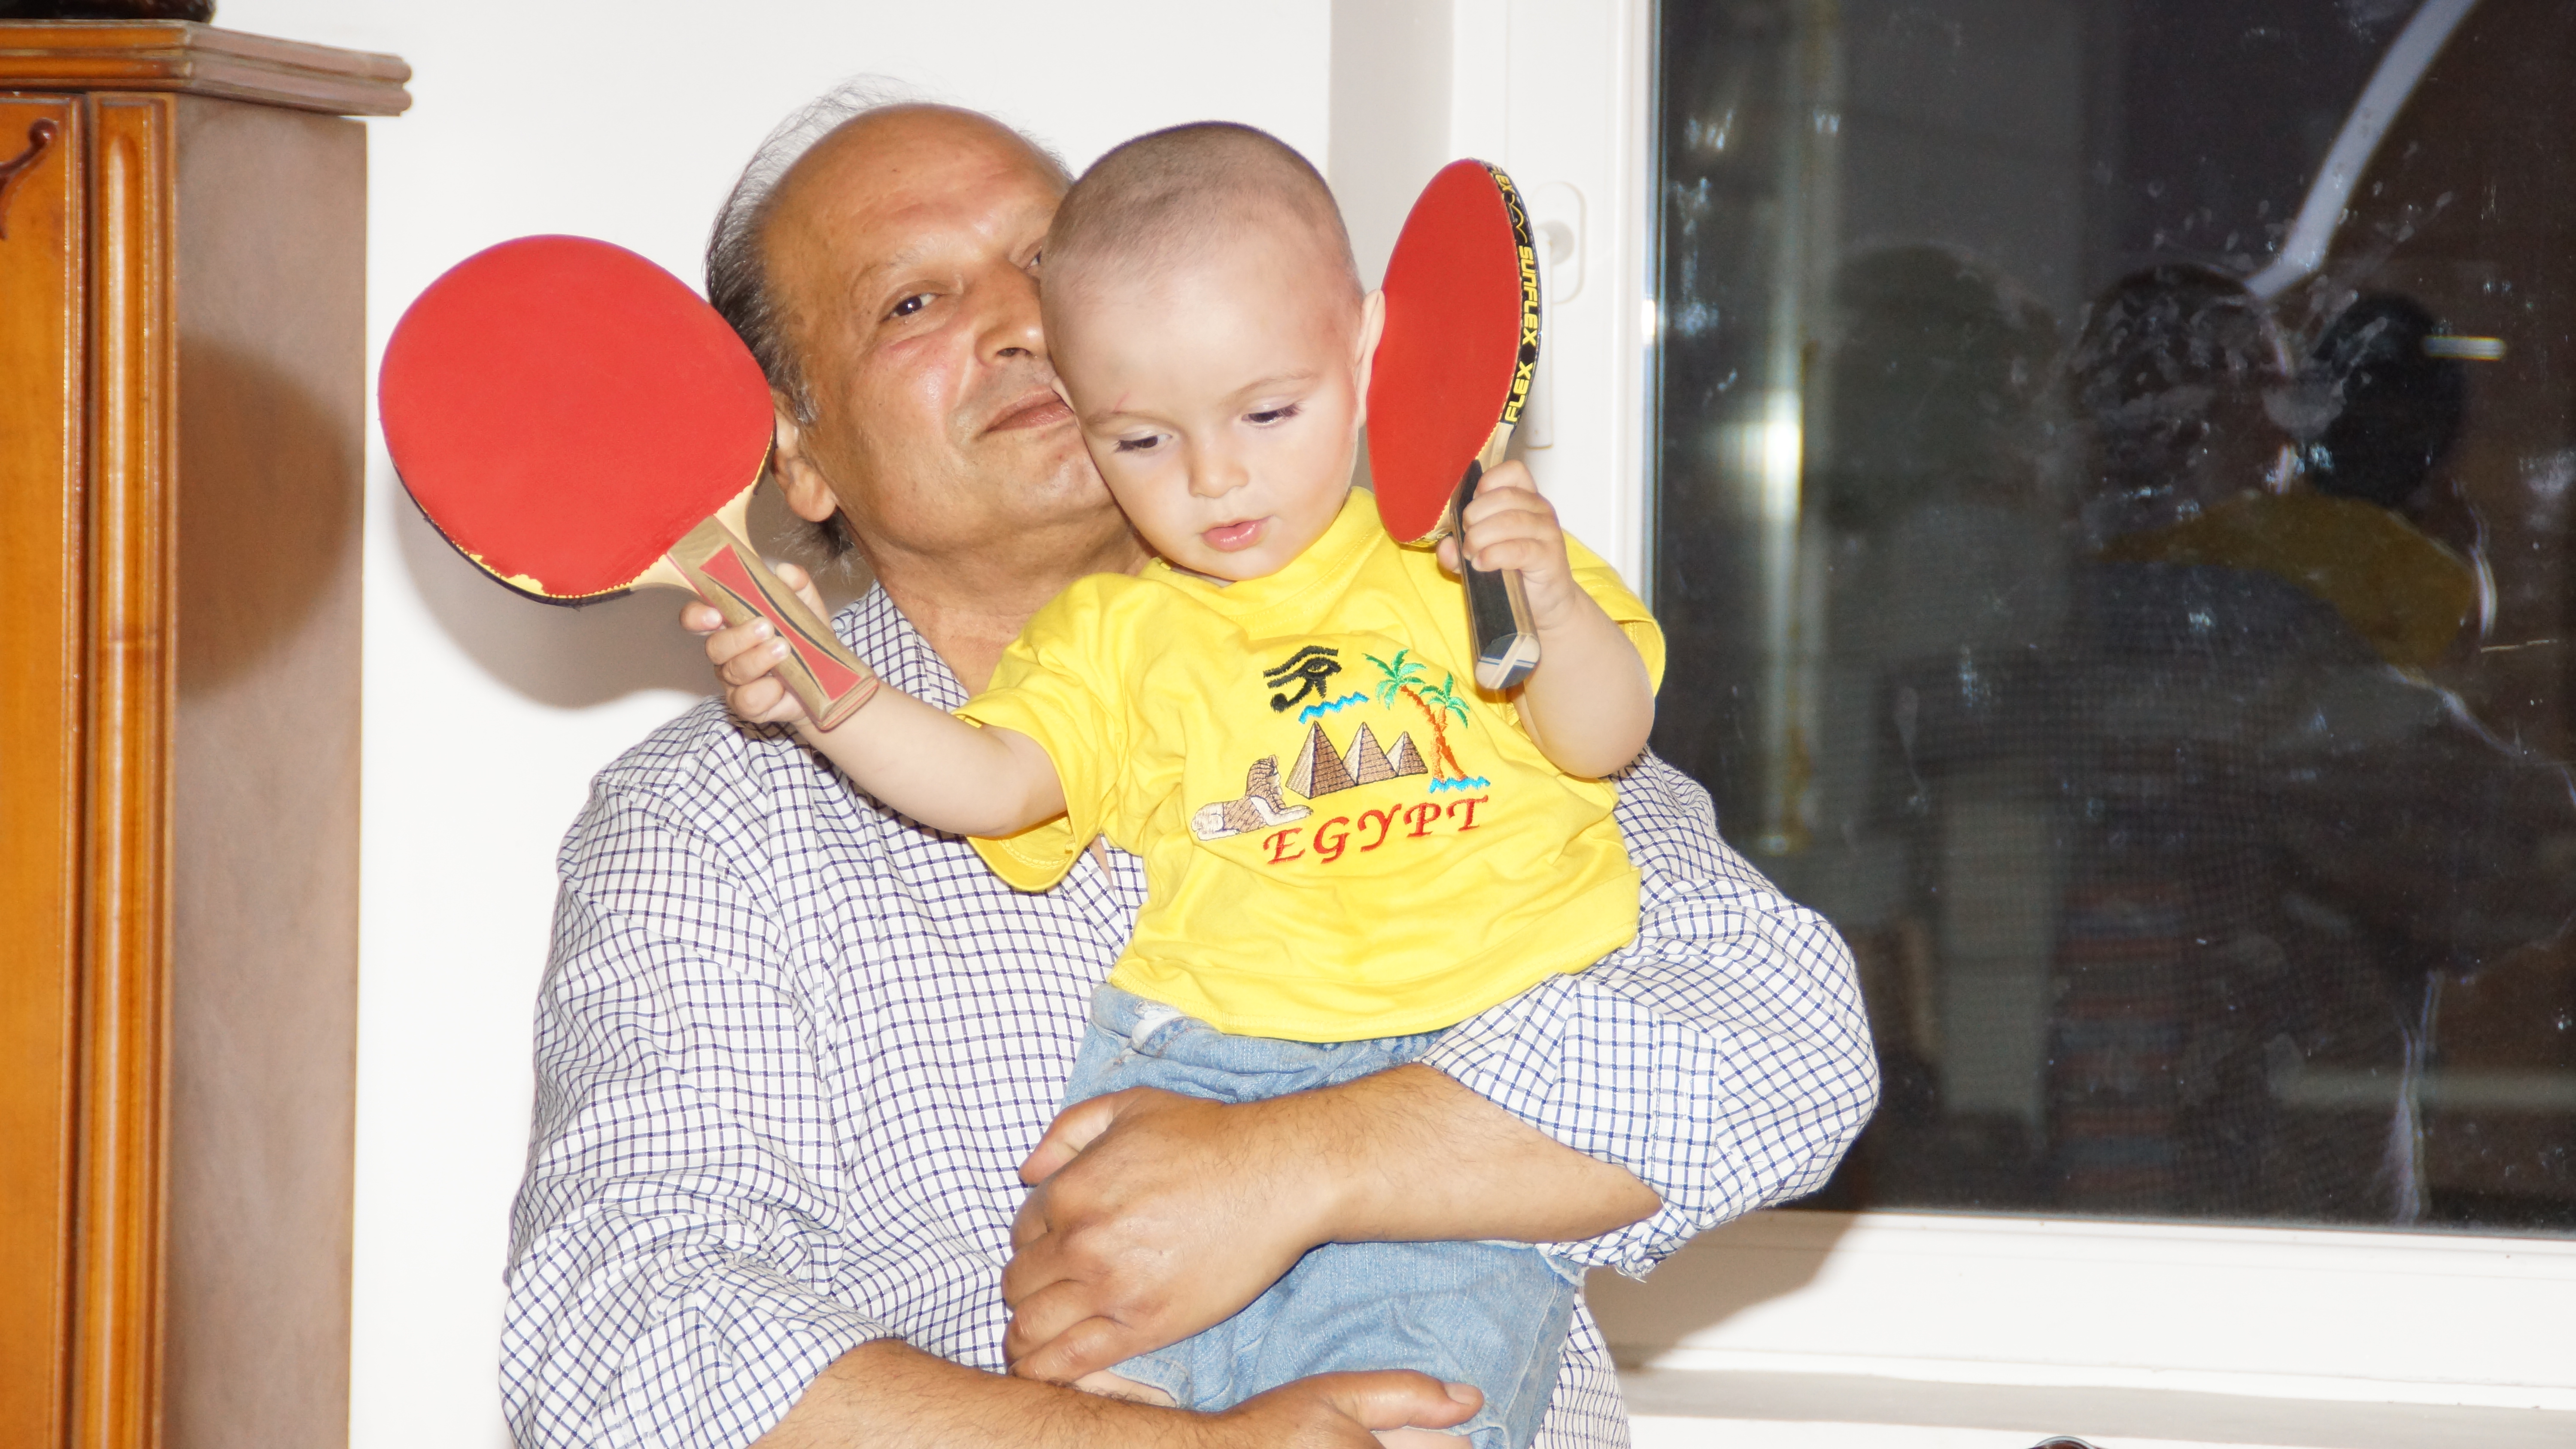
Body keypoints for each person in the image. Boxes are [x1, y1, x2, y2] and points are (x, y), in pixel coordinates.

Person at [501, 87, 1878, 1449]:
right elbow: (617, 1330)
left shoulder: (1445, 618)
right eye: (913, 302)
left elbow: (1789, 1046)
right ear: (797, 454)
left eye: (1047, 262)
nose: (1024, 324)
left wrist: (1288, 1168)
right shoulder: (708, 821)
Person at [708, 121, 1654, 1449]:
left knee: (1424, 1394)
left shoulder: (1466, 575)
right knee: (1107, 1371)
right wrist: (837, 700)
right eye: (914, 301)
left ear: (1363, 355)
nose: (1214, 476)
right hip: (1199, 1062)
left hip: (1466, 1050)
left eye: (1265, 415)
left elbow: (1615, 762)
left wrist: (1547, 602)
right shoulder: (1106, 643)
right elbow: (995, 777)